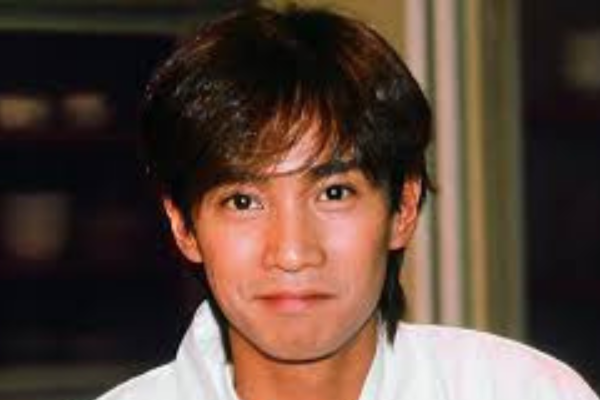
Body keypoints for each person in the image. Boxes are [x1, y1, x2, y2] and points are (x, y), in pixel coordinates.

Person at [97, 4, 599, 400]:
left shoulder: (522, 391)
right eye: (243, 201)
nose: (292, 253)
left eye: (334, 193)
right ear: (183, 226)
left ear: (403, 209)